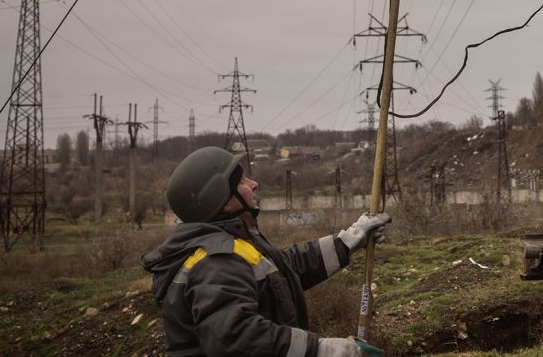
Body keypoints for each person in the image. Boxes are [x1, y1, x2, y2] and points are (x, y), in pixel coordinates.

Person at [142, 147, 391, 357]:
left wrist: (349, 240)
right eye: (241, 181)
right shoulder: (216, 260)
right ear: (223, 199)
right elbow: (236, 339)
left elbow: (287, 267)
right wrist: (320, 350)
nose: (254, 184)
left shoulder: (233, 247)